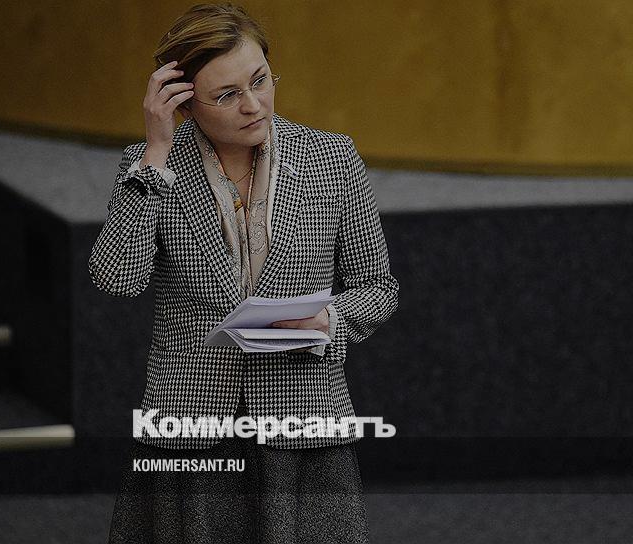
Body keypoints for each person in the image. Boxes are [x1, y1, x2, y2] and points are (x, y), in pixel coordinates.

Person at [87, 3, 399, 543]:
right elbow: (117, 278)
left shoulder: (331, 158)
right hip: (192, 422)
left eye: (260, 81)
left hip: (303, 416)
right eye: (227, 95)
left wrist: (328, 318)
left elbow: (378, 289)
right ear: (184, 101)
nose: (253, 105)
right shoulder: (152, 166)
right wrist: (156, 152)